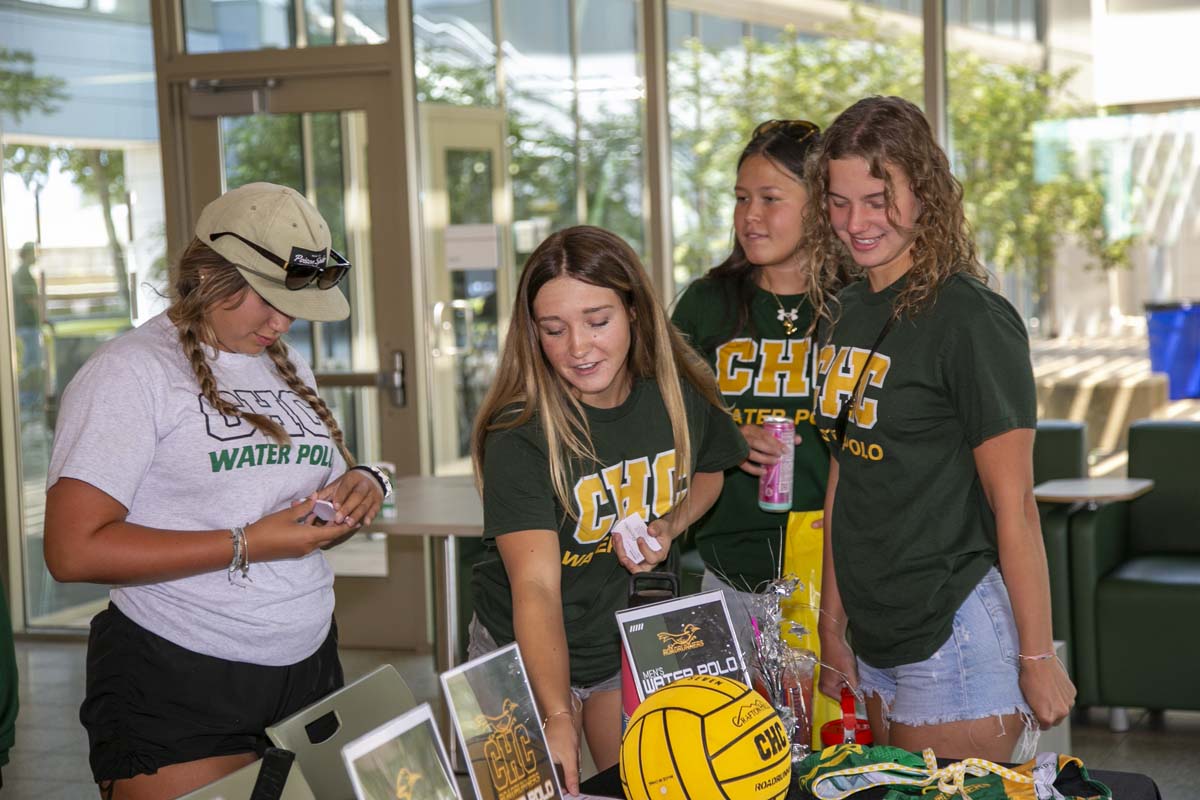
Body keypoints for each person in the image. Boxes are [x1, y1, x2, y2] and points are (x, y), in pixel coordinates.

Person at [43, 182, 391, 799]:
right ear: (208, 275)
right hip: (177, 675)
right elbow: (72, 551)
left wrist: (357, 483)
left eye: (295, 305)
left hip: (307, 665)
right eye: (269, 300)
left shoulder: (284, 363)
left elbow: (291, 511)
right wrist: (246, 544)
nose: (282, 322)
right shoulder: (130, 372)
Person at [804, 96, 1075, 761]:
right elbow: (845, 478)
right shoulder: (840, 313)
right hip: (874, 633)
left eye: (878, 200)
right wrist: (831, 626)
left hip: (955, 633)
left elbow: (1015, 504)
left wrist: (1037, 655)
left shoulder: (971, 319)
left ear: (925, 193)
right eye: (839, 202)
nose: (855, 223)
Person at [469, 225, 747, 793]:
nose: (578, 347)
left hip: (622, 641)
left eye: (597, 321)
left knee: (646, 783)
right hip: (518, 650)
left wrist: (669, 525)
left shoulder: (676, 394)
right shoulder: (520, 432)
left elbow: (710, 470)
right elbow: (536, 588)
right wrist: (556, 714)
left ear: (634, 312)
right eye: (554, 329)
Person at [671, 120, 839, 661]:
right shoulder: (705, 305)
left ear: (820, 206)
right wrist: (726, 437)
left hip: (840, 573)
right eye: (741, 198)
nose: (749, 216)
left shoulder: (855, 306)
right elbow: (663, 417)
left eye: (770, 198)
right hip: (729, 570)